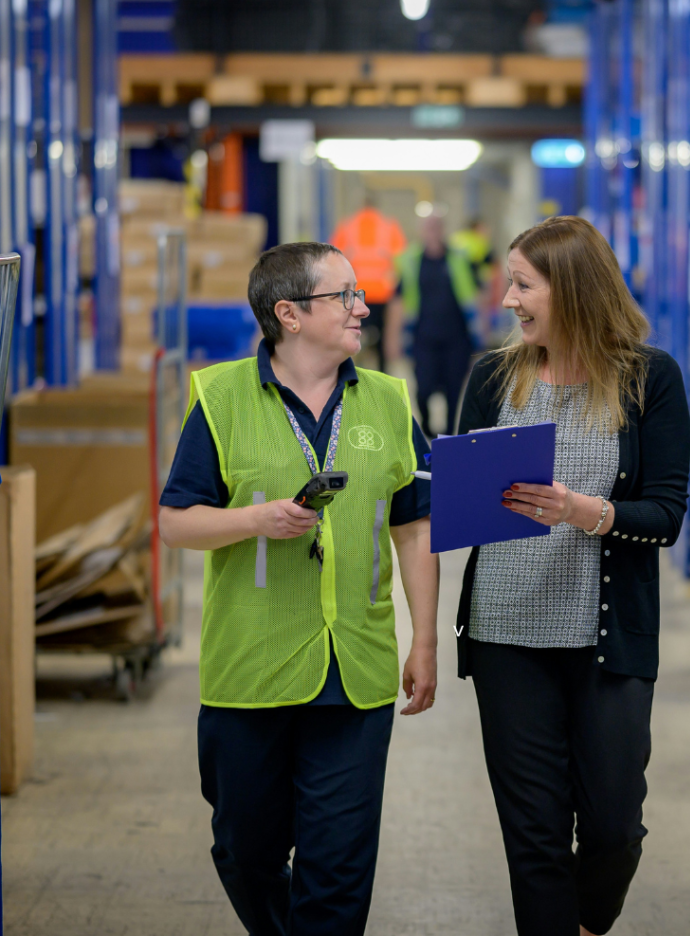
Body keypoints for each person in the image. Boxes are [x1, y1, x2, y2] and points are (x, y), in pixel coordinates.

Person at [158, 241, 439, 936]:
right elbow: (173, 522)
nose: (361, 305)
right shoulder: (220, 398)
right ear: (289, 313)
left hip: (357, 669)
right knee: (245, 851)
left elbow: (413, 527)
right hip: (250, 667)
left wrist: (426, 639)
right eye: (343, 295)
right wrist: (254, 519)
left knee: (338, 865)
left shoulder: (386, 400)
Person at [454, 216, 690, 936]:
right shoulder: (493, 376)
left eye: (523, 285)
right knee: (535, 836)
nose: (507, 300)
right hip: (506, 636)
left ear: (575, 289)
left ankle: (588, 924)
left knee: (616, 827)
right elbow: (463, 507)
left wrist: (582, 510)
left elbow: (666, 515)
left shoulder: (651, 378)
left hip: (606, 642)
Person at [387, 214, 481, 437]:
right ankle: (428, 426)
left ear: (443, 229)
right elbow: (398, 302)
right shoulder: (410, 260)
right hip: (423, 338)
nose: (432, 231)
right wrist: (392, 338)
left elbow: (477, 296)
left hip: (457, 337)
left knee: (454, 390)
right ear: (421, 230)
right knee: (423, 388)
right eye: (428, 227)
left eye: (436, 226)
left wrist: (482, 332)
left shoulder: (459, 258)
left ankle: (448, 436)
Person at [330, 196, 408, 372]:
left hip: (355, 293)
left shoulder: (347, 226)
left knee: (353, 335)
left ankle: (353, 373)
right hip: (383, 292)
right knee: (381, 339)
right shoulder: (389, 226)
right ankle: (380, 373)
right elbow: (401, 259)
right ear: (376, 207)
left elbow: (334, 258)